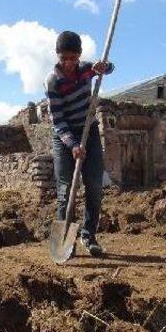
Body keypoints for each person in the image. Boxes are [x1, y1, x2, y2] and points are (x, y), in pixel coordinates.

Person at [44, 31, 114, 257]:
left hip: (89, 131)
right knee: (66, 190)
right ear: (57, 55)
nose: (69, 63)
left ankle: (88, 235)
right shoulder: (52, 81)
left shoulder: (85, 69)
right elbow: (58, 121)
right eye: (64, 58)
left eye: (73, 58)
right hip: (64, 137)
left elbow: (108, 68)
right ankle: (67, 241)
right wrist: (73, 144)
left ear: (79, 56)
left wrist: (105, 67)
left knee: (94, 185)